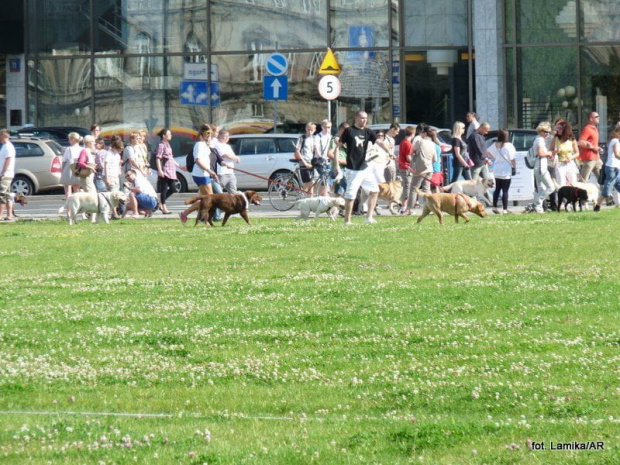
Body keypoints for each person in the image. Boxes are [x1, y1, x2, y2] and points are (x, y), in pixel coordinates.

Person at [337, 110, 387, 224]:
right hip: (353, 169)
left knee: (374, 190)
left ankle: (369, 218)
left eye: (366, 118)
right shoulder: (349, 131)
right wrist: (337, 165)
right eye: (362, 118)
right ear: (356, 118)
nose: (365, 120)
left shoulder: (368, 132)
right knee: (350, 195)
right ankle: (347, 221)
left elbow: (379, 142)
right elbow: (338, 147)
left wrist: (389, 152)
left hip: (364, 167)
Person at [179, 124, 218, 225]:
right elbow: (197, 160)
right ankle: (205, 221)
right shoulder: (199, 145)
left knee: (205, 199)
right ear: (202, 134)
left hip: (204, 174)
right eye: (207, 133)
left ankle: (187, 215)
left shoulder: (205, 145)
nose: (209, 135)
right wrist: (209, 171)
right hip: (201, 175)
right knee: (210, 199)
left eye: (211, 133)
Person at [407, 124, 437, 210]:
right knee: (426, 189)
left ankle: (409, 208)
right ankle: (430, 207)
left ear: (424, 133)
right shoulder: (432, 144)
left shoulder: (419, 141)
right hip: (429, 168)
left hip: (420, 169)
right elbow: (435, 159)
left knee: (414, 188)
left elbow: (411, 152)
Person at [487, 129, 516, 214]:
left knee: (497, 189)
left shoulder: (494, 144)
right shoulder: (509, 145)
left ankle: (494, 206)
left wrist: (494, 158)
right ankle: (505, 209)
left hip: (497, 169)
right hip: (506, 170)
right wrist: (514, 167)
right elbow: (513, 158)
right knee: (505, 190)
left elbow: (487, 151)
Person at [531, 121, 556, 213]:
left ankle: (538, 208)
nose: (547, 134)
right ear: (540, 131)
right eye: (545, 131)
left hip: (539, 166)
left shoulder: (539, 139)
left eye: (549, 132)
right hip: (541, 167)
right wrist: (549, 153)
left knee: (541, 188)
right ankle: (537, 201)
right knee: (551, 187)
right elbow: (541, 153)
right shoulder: (540, 140)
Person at [595, 126, 620, 211]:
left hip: (615, 167)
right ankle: (597, 206)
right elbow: (617, 154)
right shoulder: (615, 141)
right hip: (612, 168)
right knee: (607, 189)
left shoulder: (614, 140)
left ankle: (597, 205)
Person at [155, 128, 177, 214]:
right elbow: (158, 158)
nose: (171, 135)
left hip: (171, 169)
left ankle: (161, 203)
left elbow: (170, 157)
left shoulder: (168, 144)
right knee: (164, 189)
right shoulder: (161, 145)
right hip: (165, 169)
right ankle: (164, 207)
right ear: (164, 136)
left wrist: (179, 165)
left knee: (173, 188)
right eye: (169, 134)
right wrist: (160, 170)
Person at [551, 120, 579, 186]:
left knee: (573, 183)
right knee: (561, 184)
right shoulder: (556, 138)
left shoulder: (571, 139)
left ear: (565, 129)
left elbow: (577, 153)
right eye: (557, 128)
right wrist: (556, 151)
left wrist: (570, 158)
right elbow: (550, 150)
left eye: (560, 128)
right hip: (560, 164)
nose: (558, 130)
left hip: (570, 164)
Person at [578, 111, 603, 183]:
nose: (599, 118)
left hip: (597, 158)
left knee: (602, 179)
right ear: (591, 119)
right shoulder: (587, 129)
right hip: (589, 159)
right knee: (583, 181)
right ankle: (579, 194)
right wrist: (593, 148)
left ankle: (605, 194)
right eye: (597, 117)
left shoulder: (594, 128)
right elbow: (581, 142)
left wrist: (597, 148)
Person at [294, 122, 317, 194]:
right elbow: (297, 151)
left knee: (312, 182)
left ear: (314, 130)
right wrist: (304, 163)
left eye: (311, 130)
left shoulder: (315, 138)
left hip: (312, 162)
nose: (310, 132)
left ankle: (311, 198)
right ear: (306, 129)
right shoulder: (302, 138)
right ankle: (301, 193)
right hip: (304, 162)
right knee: (308, 183)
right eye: (308, 130)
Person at [327, 122, 349, 196]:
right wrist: (340, 161)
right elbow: (329, 153)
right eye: (346, 131)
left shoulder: (346, 139)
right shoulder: (335, 139)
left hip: (346, 167)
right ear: (341, 130)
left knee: (341, 190)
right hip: (339, 168)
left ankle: (338, 206)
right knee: (347, 189)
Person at [215, 129, 240, 194]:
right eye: (224, 136)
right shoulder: (217, 145)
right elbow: (225, 155)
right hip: (222, 173)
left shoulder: (227, 146)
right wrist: (236, 158)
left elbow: (232, 156)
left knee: (233, 192)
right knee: (218, 192)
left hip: (230, 172)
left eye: (227, 136)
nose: (226, 138)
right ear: (219, 136)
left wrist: (235, 158)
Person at [59, 132, 83, 200]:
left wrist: (62, 170)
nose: (68, 141)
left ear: (72, 139)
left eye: (69, 139)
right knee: (77, 188)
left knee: (67, 188)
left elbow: (64, 160)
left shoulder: (69, 149)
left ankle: (68, 205)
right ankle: (77, 204)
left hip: (69, 169)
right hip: (78, 169)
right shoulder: (82, 149)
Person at [397, 126, 415, 214]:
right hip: (406, 167)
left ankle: (404, 206)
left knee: (406, 186)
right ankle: (404, 207)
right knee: (408, 187)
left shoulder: (403, 142)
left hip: (402, 167)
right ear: (412, 134)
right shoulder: (408, 144)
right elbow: (408, 157)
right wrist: (414, 160)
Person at [0, 129, 16, 221]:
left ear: (3, 136)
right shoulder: (5, 146)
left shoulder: (8, 147)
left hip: (6, 174)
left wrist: (2, 173)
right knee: (7, 195)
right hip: (7, 174)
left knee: (1, 195)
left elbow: (8, 160)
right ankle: (10, 214)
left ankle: (0, 215)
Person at [313, 120, 333, 195]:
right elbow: (316, 148)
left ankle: (323, 196)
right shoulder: (318, 136)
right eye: (325, 127)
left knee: (328, 180)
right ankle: (321, 196)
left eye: (329, 127)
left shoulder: (331, 137)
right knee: (323, 179)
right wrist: (320, 157)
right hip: (319, 161)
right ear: (322, 127)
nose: (327, 129)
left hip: (329, 161)